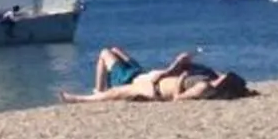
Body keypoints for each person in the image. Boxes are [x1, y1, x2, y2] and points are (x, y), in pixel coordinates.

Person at [61, 47, 250, 102]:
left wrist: (181, 76)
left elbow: (178, 99)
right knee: (114, 50)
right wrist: (182, 64)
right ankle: (96, 92)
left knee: (114, 93)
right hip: (148, 78)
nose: (220, 75)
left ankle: (83, 98)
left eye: (223, 77)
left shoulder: (205, 87)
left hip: (153, 89)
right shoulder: (208, 78)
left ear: (224, 84)